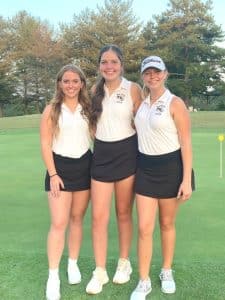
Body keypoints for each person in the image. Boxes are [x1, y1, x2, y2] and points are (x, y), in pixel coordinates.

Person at [130, 56, 195, 299]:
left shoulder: (175, 103)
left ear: (165, 74)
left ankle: (166, 271)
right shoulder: (141, 103)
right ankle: (143, 280)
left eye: (157, 72)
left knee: (166, 224)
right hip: (145, 167)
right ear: (143, 76)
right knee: (144, 227)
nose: (153, 76)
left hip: (171, 168)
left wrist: (186, 178)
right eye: (148, 73)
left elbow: (186, 142)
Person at [85, 44, 142, 295]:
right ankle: (99, 270)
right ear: (99, 65)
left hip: (127, 152)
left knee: (123, 213)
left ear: (121, 64)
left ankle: (124, 262)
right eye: (104, 62)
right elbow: (89, 123)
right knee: (98, 217)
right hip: (102, 154)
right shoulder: (94, 90)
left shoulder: (133, 88)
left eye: (114, 62)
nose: (109, 66)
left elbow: (142, 122)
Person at [40, 64, 92, 300]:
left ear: (82, 83)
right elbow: (45, 144)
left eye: (75, 81)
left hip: (85, 167)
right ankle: (53, 276)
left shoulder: (89, 108)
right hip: (59, 169)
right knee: (59, 223)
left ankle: (72, 264)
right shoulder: (51, 109)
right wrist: (53, 174)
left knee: (77, 219)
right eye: (66, 81)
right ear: (59, 84)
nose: (70, 85)